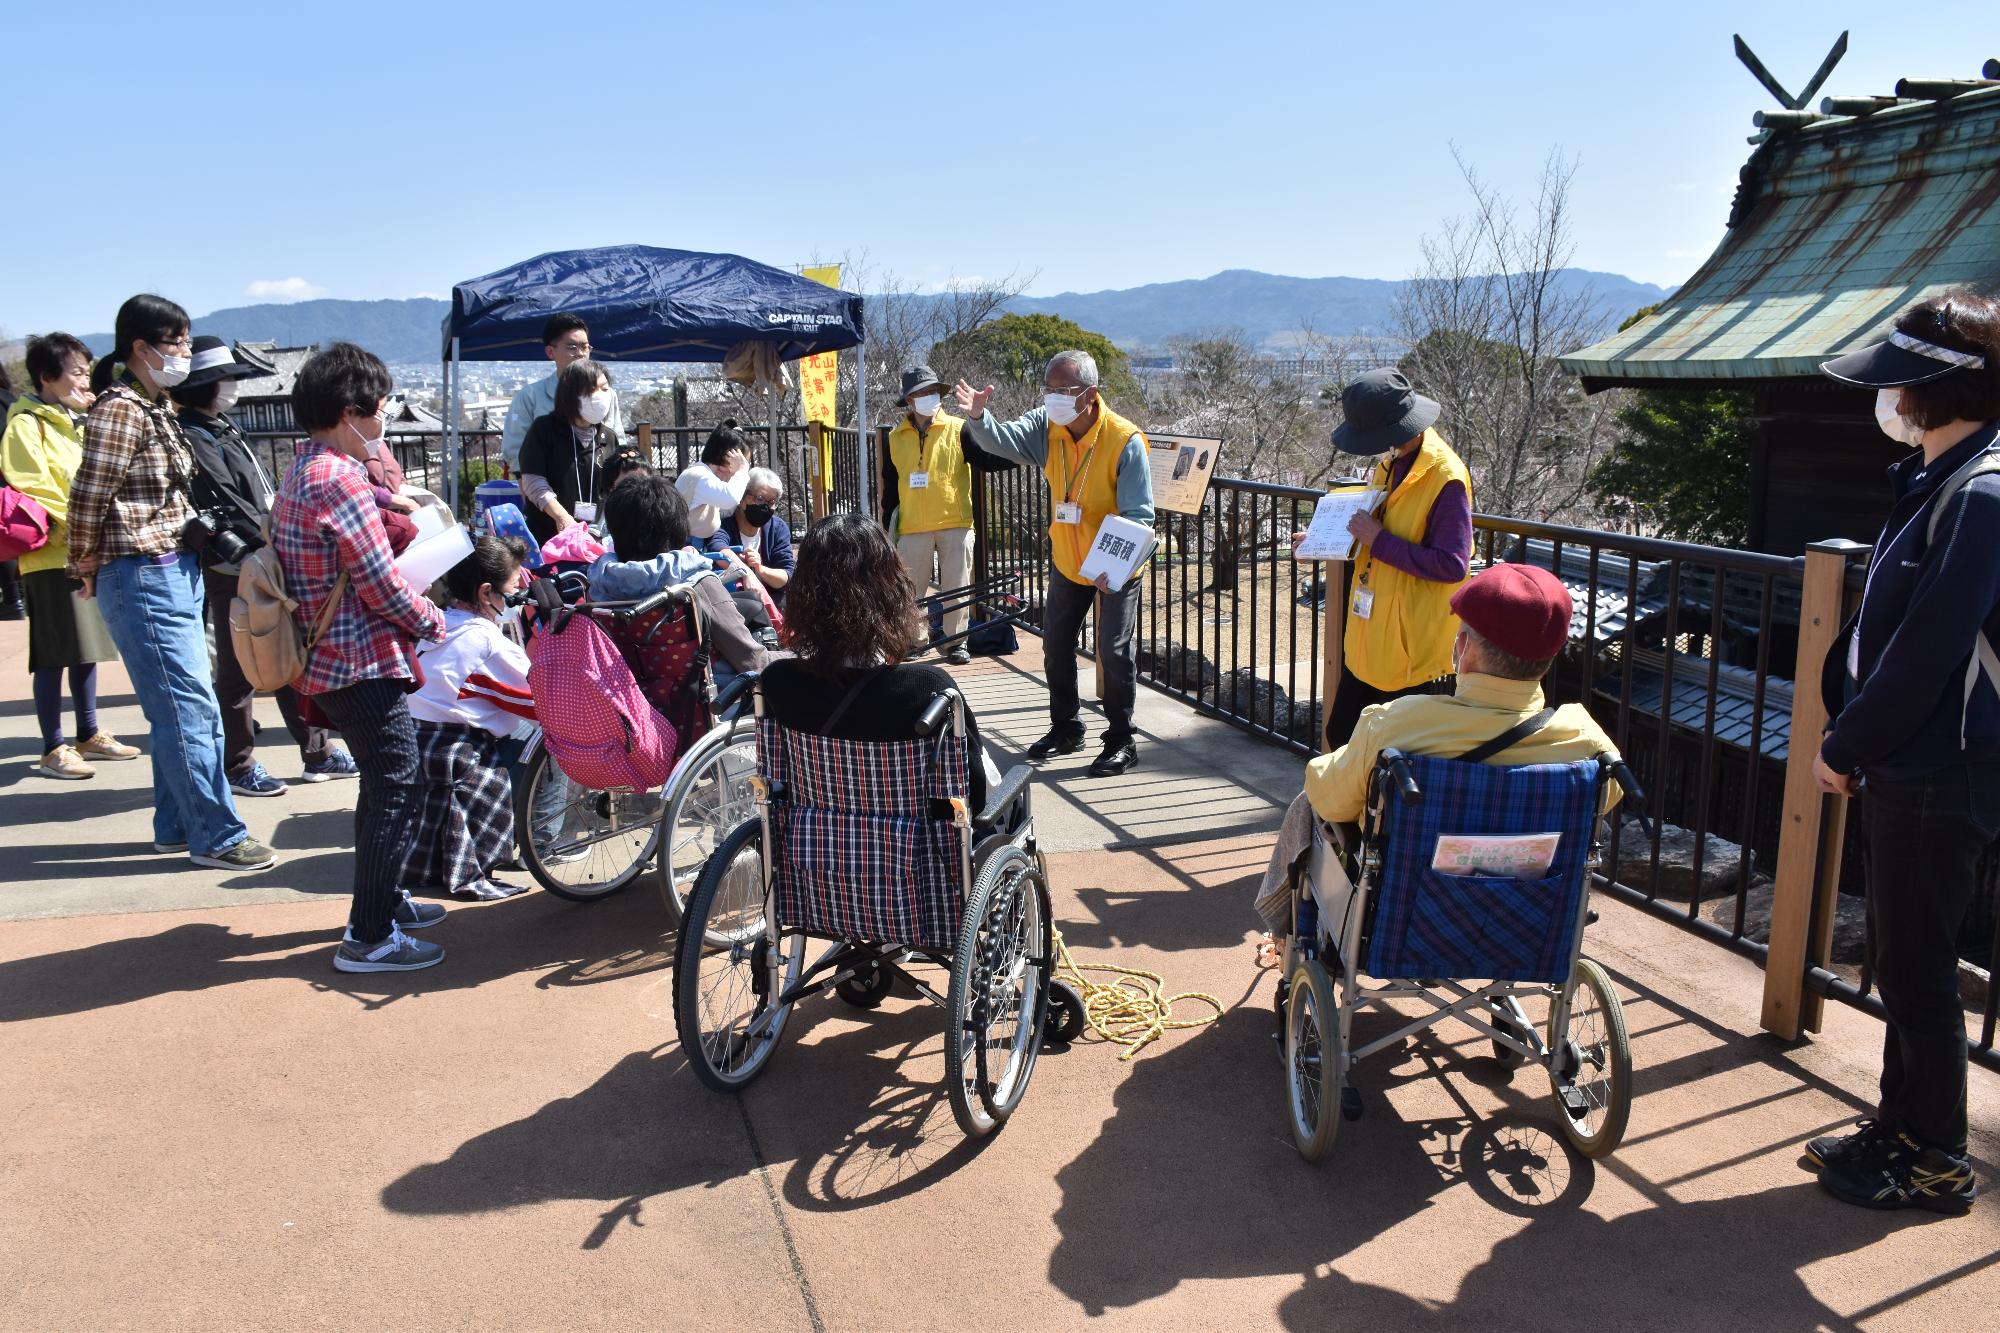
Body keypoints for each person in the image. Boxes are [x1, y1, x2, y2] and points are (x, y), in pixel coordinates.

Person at [1803, 292, 2000, 1215]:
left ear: (1936, 387)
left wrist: (1847, 741)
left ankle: (1939, 1161)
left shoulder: (1984, 494)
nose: (1888, 398)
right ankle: (1900, 1127)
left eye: (1900, 382)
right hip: (1911, 762)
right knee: (1899, 956)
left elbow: (1929, 648)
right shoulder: (1942, 477)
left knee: (1919, 971)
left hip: (1941, 767)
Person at [1252, 563, 1621, 959]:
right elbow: (1606, 801)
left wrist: (1323, 772)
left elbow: (1333, 801)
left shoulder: (1400, 722)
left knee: (1309, 804)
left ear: (1463, 647)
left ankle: (1287, 937)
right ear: (1549, 657)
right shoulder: (1588, 741)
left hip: (1409, 914)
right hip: (1522, 916)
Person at [66, 295, 275, 872]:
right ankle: (217, 834)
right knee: (188, 708)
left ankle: (177, 825)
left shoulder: (151, 406)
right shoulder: (122, 410)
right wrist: (82, 565)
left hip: (168, 569)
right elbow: (88, 495)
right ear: (142, 346)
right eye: (178, 341)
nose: (185, 352)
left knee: (182, 705)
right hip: (140, 570)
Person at [271, 342, 449, 973]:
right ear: (351, 411)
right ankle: (369, 935)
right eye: (380, 408)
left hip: (332, 654)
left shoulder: (303, 467)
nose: (384, 420)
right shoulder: (342, 478)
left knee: (381, 786)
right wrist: (434, 620)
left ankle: (385, 902)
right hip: (360, 657)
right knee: (397, 784)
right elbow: (378, 583)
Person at [172, 337, 356, 796]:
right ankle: (238, 763)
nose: (233, 387)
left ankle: (315, 750)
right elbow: (227, 502)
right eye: (227, 379)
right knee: (241, 666)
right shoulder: (193, 434)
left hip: (264, 556)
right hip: (236, 565)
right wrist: (271, 536)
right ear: (207, 386)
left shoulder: (221, 427)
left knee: (285, 653)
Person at [956, 350, 1154, 777]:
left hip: (1114, 567)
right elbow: (999, 441)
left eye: (1064, 391)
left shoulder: (1124, 439)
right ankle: (1066, 726)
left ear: (1090, 394)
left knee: (1113, 651)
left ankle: (1121, 738)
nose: (1054, 399)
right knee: (1055, 646)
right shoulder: (1046, 426)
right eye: (1049, 390)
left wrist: (1113, 567)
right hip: (1068, 560)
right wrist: (978, 419)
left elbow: (1140, 514)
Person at [761, 512, 996, 811]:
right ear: (891, 590)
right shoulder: (929, 689)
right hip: (915, 852)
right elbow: (976, 792)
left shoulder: (779, 681)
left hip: (814, 846)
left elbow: (777, 784)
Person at [1306, 367, 1473, 752]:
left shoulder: (1445, 477)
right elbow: (1376, 527)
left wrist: (1378, 540)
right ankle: (1352, 813)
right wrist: (1320, 541)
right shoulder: (1394, 462)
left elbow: (1452, 565)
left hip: (1410, 647)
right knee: (1344, 737)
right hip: (1371, 636)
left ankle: (1365, 815)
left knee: (1390, 754)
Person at [1, 333, 138, 779]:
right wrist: (80, 527)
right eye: (76, 371)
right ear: (47, 377)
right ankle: (53, 746)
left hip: (84, 551)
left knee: (87, 648)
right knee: (54, 652)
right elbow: (33, 485)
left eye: (85, 370)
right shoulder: (27, 423)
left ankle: (88, 733)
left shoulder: (75, 420)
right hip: (51, 555)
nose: (84, 379)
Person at [403, 535, 536, 902]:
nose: (517, 599)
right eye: (512, 590)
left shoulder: (437, 621)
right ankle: (539, 842)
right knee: (551, 736)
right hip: (455, 752)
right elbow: (538, 701)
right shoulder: (487, 640)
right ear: (486, 593)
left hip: (416, 744)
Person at [592, 472, 771, 713]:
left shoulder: (599, 584)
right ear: (676, 528)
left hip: (627, 701)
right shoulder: (694, 583)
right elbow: (752, 661)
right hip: (705, 702)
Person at [884, 364, 1008, 666]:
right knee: (910, 591)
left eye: (933, 391)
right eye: (921, 393)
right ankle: (916, 640)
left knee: (957, 587)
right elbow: (890, 484)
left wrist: (1021, 454)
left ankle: (956, 643)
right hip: (912, 524)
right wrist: (887, 523)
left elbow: (986, 459)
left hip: (955, 521)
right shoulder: (895, 436)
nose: (929, 397)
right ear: (909, 401)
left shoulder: (959, 427)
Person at [517, 358, 618, 547]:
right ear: (571, 393)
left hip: (595, 540)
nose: (602, 396)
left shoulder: (608, 437)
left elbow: (614, 487)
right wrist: (562, 517)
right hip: (549, 538)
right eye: (592, 389)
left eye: (605, 389)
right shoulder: (544, 429)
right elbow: (532, 481)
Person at [501, 314, 622, 468]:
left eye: (585, 347)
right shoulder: (530, 396)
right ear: (550, 352)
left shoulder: (607, 393)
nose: (580, 353)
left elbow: (618, 439)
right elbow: (515, 449)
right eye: (572, 347)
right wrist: (532, 486)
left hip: (600, 483)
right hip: (548, 486)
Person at [703, 465, 794, 612]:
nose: (765, 507)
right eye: (760, 499)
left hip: (774, 603)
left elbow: (785, 575)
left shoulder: (777, 528)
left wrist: (759, 569)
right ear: (741, 498)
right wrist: (747, 572)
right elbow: (718, 547)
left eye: (771, 502)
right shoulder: (724, 526)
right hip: (735, 603)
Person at [675, 420, 751, 541]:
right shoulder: (699, 476)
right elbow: (730, 499)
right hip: (684, 548)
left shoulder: (707, 476)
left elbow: (726, 511)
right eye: (741, 462)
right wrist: (742, 469)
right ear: (729, 459)